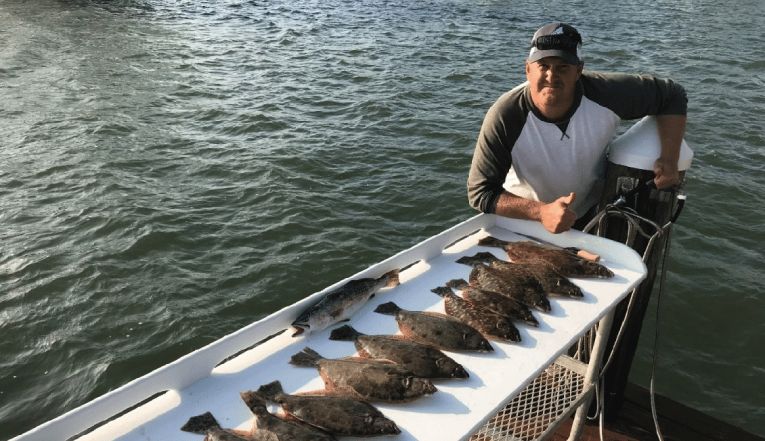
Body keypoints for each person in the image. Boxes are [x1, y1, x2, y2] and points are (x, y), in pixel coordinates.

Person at [467, 22, 687, 233]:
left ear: (579, 70)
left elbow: (672, 95)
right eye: (543, 66)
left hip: (586, 216)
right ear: (527, 69)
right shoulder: (506, 115)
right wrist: (541, 211)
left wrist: (669, 157)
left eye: (563, 67)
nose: (551, 76)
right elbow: (480, 193)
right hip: (521, 220)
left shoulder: (607, 94)